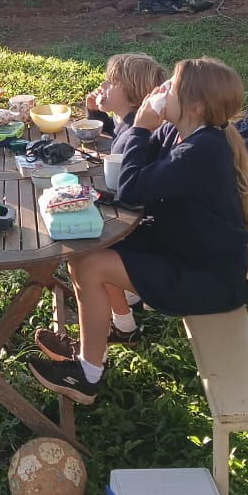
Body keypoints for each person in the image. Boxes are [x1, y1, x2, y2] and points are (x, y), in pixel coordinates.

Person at [30, 57, 248, 405]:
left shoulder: (202, 150)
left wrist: (140, 126)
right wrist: (144, 127)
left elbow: (132, 188)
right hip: (185, 249)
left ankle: (86, 378)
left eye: (170, 86)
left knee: (90, 264)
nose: (160, 90)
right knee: (86, 250)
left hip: (209, 278)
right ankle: (118, 332)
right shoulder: (177, 131)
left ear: (195, 106)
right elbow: (125, 160)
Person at [85, 51, 167, 343]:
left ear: (132, 94)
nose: (102, 87)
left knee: (87, 241)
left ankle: (125, 323)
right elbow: (112, 139)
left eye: (110, 82)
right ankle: (128, 298)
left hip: (138, 225)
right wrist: (96, 115)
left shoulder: (136, 130)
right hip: (138, 216)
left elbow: (119, 160)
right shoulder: (128, 124)